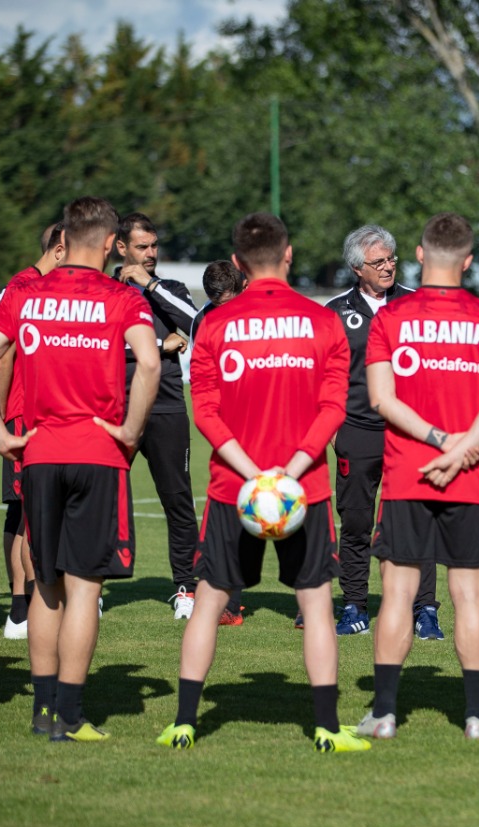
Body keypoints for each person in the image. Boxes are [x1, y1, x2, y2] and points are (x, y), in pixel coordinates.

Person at [157, 212, 367, 753]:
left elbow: (202, 409)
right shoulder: (322, 322)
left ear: (235, 263)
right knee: (316, 602)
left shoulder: (217, 324)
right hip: (304, 491)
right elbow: (333, 407)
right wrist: (291, 470)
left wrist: (252, 473)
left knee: (208, 601)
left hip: (236, 489)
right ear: (289, 254)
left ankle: (184, 722)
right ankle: (326, 728)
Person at [0, 196, 160, 742]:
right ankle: (71, 717)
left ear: (64, 238)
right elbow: (148, 362)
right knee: (85, 589)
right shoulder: (121, 296)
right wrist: (130, 430)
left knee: (44, 586)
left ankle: (43, 710)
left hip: (41, 454)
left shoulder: (26, 293)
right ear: (107, 244)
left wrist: (1, 433)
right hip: (98, 455)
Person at [357, 212, 479, 741]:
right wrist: (464, 445)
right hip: (468, 476)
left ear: (421, 256)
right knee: (469, 595)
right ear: (468, 261)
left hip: (408, 472)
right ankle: (475, 716)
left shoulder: (391, 317)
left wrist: (437, 441)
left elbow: (381, 399)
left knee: (398, 593)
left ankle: (382, 714)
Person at [323, 225, 440, 639]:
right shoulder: (335, 312)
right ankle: (354, 603)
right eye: (378, 262)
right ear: (358, 268)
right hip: (357, 432)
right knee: (355, 524)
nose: (389, 266)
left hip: (410, 436)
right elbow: (327, 376)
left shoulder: (417, 304)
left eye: (391, 258)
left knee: (416, 524)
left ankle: (425, 609)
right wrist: (336, 430)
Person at [114, 213, 200, 619]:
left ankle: (186, 587)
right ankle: (92, 586)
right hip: (115, 406)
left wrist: (149, 285)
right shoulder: (105, 291)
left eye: (154, 246)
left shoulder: (169, 288)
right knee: (101, 499)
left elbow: (196, 322)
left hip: (166, 406)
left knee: (178, 500)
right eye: (141, 247)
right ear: (120, 248)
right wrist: (155, 347)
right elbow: (99, 347)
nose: (150, 253)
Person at [0, 221, 66, 641]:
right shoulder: (24, 287)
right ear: (59, 250)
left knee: (23, 513)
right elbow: (2, 359)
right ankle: (23, 610)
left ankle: (22, 608)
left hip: (39, 415)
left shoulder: (35, 287)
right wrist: (5, 421)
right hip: (25, 416)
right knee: (29, 516)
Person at [188, 260, 250, 626]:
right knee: (227, 520)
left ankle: (310, 603)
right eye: (215, 303)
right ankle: (228, 603)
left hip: (268, 423)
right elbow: (203, 378)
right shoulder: (204, 319)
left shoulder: (259, 313)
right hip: (227, 431)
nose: (221, 310)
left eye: (226, 301)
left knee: (291, 509)